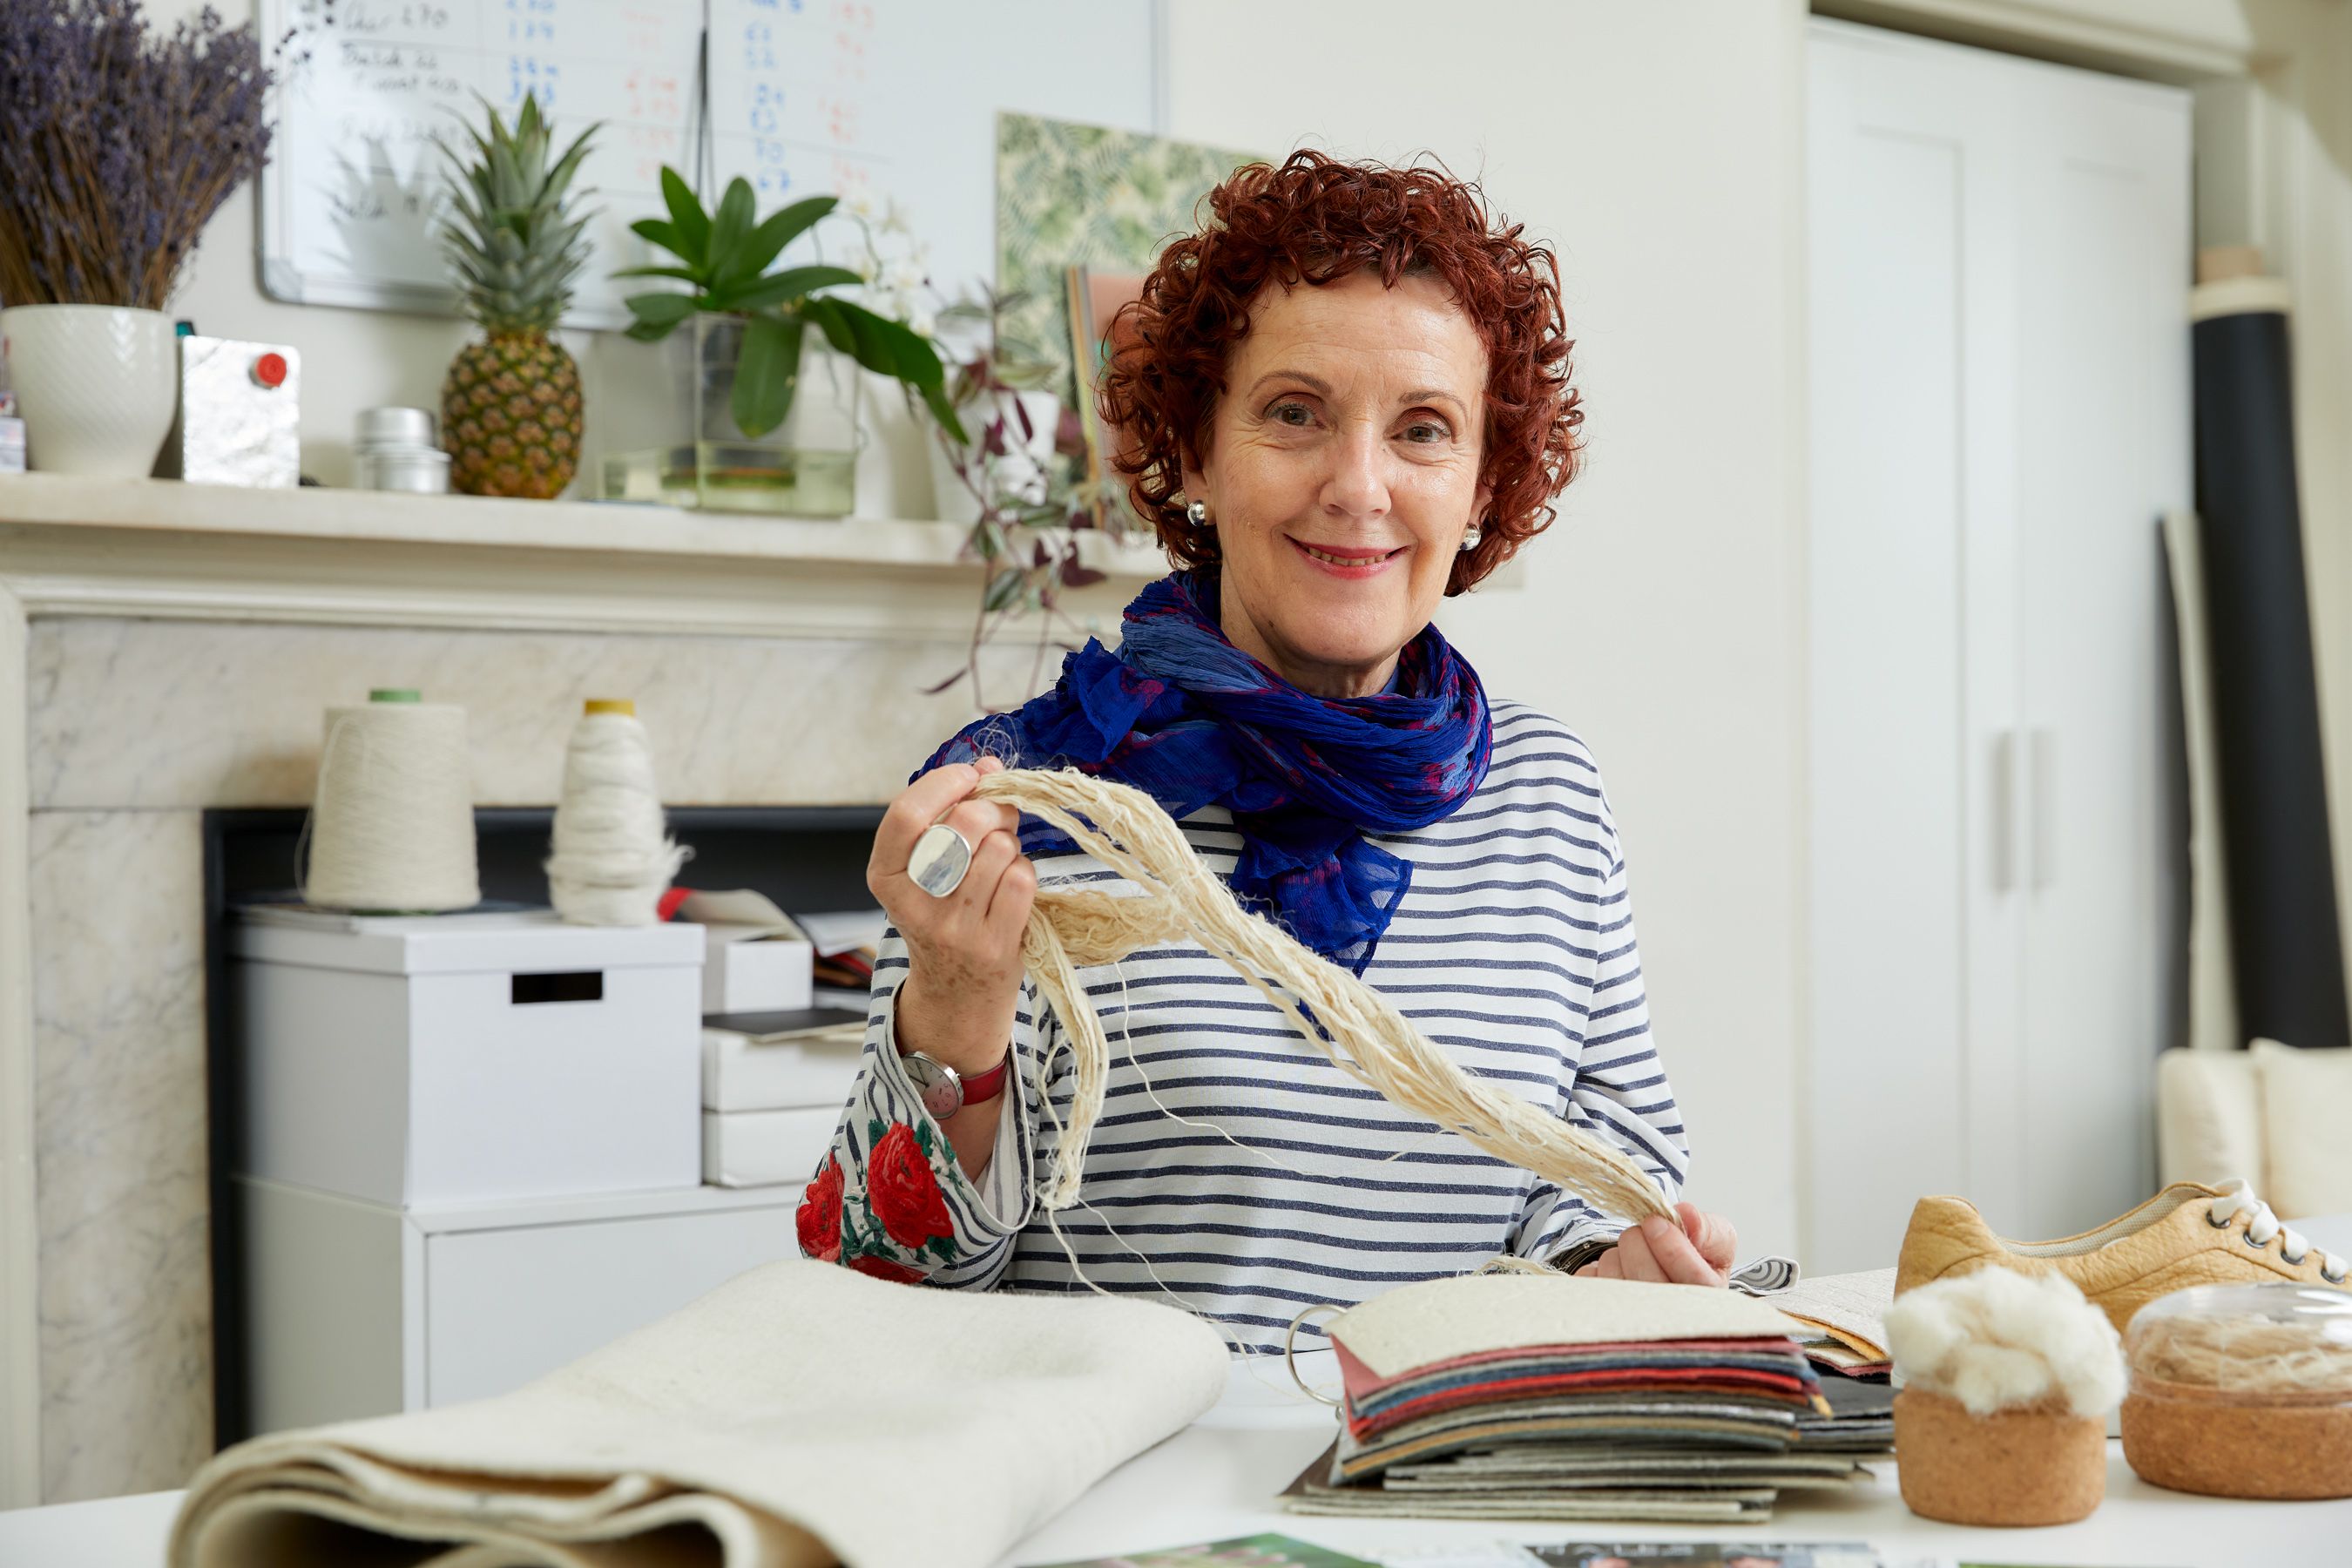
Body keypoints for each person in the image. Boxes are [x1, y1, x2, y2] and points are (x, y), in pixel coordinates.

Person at [795, 150, 1737, 1348]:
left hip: (1448, 1446)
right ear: (1196, 450)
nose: (1359, 486)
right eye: (1295, 414)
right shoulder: (1032, 806)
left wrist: (1610, 1265)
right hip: (1140, 1462)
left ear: (1482, 487)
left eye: (1424, 430)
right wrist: (955, 1004)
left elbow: (1599, 1167)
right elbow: (881, 1285)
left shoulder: (1545, 792)